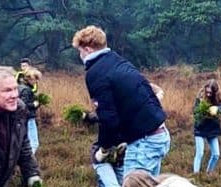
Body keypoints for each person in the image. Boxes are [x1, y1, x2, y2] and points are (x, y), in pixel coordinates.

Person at [72, 25, 169, 178]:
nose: (80, 55)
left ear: (88, 49)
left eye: (80, 50)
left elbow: (108, 117)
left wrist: (103, 149)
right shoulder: (117, 60)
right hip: (159, 134)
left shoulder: (95, 73)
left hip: (145, 142)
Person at [192, 79, 221, 175]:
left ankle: (209, 173)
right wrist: (204, 111)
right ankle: (196, 175)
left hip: (212, 129)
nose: (208, 94)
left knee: (216, 154)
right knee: (200, 153)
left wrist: (218, 109)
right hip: (200, 129)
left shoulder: (218, 98)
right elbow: (195, 111)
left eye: (210, 93)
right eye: (207, 92)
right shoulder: (200, 98)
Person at [17, 67, 42, 155]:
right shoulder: (26, 90)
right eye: (35, 79)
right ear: (29, 78)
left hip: (22, 119)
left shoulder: (20, 87)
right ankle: (29, 161)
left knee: (24, 141)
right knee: (34, 143)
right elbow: (24, 104)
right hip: (29, 118)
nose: (36, 81)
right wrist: (35, 104)